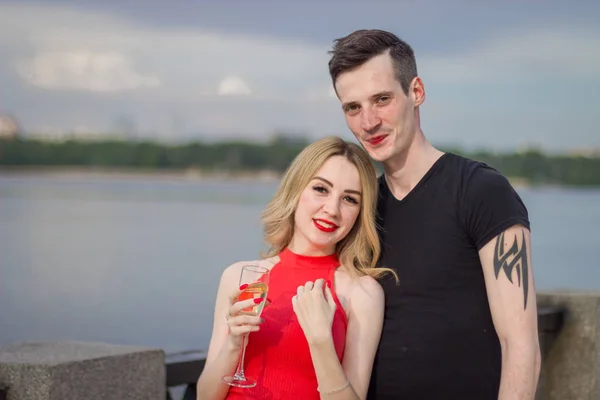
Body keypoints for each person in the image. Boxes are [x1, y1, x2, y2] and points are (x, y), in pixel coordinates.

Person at [327, 29, 541, 399]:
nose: (368, 122)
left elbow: (520, 345)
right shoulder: (361, 207)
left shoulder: (480, 190)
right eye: (353, 107)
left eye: (382, 99)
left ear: (417, 92)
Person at [196, 136, 398, 400]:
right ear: (296, 189)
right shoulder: (240, 277)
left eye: (349, 199)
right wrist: (234, 344)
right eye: (321, 189)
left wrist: (321, 341)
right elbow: (204, 396)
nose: (332, 209)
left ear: (360, 214)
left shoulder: (362, 292)